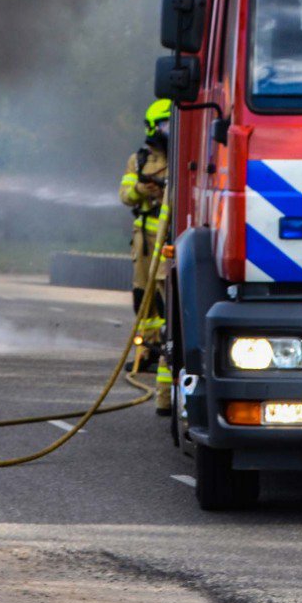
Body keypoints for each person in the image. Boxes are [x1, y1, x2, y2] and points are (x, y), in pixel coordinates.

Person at [119, 99, 172, 415]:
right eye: (165, 125)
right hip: (143, 242)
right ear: (154, 127)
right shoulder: (138, 161)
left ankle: (165, 351)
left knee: (167, 304)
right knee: (144, 300)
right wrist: (143, 188)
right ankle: (147, 352)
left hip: (167, 242)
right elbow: (125, 195)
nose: (170, 131)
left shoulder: (184, 156)